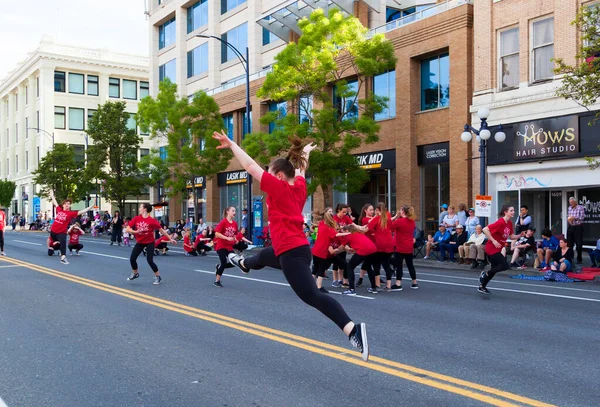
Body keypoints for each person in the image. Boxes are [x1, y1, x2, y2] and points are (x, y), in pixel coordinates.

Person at [215, 130, 369, 361]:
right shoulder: (299, 188)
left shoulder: (279, 188)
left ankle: (352, 330)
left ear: (277, 176)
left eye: (268, 174)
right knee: (263, 256)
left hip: (290, 252)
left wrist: (232, 144)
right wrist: (305, 153)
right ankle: (244, 263)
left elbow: (249, 166)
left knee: (312, 296)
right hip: (294, 249)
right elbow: (301, 171)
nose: (265, 178)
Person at [126, 203, 177, 285]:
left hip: (150, 242)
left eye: (140, 207)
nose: (139, 208)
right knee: (132, 258)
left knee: (149, 260)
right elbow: (127, 229)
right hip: (140, 242)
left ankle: (158, 276)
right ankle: (135, 273)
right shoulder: (136, 218)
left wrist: (170, 239)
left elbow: (161, 230)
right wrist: (136, 232)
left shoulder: (152, 221)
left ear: (145, 209)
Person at [478, 205, 521, 294]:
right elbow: (485, 229)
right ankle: (484, 274)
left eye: (513, 210)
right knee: (505, 265)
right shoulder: (500, 222)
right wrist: (493, 240)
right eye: (511, 210)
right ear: (505, 212)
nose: (513, 212)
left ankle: (482, 286)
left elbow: (512, 236)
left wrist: (521, 235)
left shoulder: (509, 223)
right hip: (492, 248)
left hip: (498, 248)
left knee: (495, 268)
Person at [48, 190, 94, 264]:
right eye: (65, 204)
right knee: (54, 244)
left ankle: (63, 257)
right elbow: (55, 202)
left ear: (70, 206)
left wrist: (91, 206)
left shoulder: (70, 213)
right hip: (53, 231)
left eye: (68, 204)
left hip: (61, 232)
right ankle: (54, 246)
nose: (66, 205)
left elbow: (81, 211)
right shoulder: (59, 210)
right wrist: (52, 195)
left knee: (63, 243)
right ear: (63, 205)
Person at [311, 208, 347, 293]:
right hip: (322, 251)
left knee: (315, 268)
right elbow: (336, 234)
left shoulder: (321, 224)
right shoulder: (328, 228)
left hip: (315, 250)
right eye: (330, 212)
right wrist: (348, 233)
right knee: (321, 269)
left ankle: (309, 285)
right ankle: (319, 287)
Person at [340, 223, 377, 295]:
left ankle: (351, 289)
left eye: (343, 232)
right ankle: (373, 287)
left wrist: (334, 252)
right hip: (373, 249)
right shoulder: (359, 233)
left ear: (347, 230)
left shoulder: (348, 235)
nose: (343, 234)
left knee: (350, 266)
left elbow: (341, 248)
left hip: (364, 250)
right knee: (368, 267)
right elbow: (358, 244)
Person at [366, 202, 394, 291]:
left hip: (380, 243)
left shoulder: (376, 218)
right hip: (389, 243)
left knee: (376, 264)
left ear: (377, 210)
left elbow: (368, 228)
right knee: (386, 264)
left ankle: (377, 284)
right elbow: (391, 228)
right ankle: (388, 285)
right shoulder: (388, 219)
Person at [390, 205, 418, 290]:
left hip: (400, 245)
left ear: (402, 212)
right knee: (410, 265)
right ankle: (414, 282)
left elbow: (390, 227)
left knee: (399, 265)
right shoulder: (412, 222)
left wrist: (395, 217)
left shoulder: (400, 221)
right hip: (409, 245)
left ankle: (398, 283)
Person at [213, 206, 239, 287]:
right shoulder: (223, 222)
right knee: (224, 263)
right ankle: (217, 281)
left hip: (229, 246)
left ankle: (219, 267)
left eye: (235, 211)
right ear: (228, 212)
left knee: (234, 262)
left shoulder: (235, 223)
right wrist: (226, 238)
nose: (234, 212)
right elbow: (216, 234)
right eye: (233, 211)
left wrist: (236, 239)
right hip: (221, 245)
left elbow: (235, 235)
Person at [332, 204, 353, 288]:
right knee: (335, 262)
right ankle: (335, 280)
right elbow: (334, 229)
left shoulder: (346, 218)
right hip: (335, 241)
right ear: (338, 210)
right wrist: (340, 228)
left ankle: (341, 279)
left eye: (346, 212)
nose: (344, 214)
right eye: (343, 212)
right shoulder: (334, 218)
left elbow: (352, 225)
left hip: (343, 241)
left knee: (342, 262)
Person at [356, 203, 375, 288]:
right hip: (367, 243)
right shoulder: (365, 219)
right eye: (370, 210)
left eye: (373, 210)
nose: (372, 211)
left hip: (374, 243)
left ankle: (363, 279)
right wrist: (378, 216)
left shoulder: (373, 218)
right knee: (367, 263)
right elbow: (371, 221)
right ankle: (361, 279)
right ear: (365, 211)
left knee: (370, 263)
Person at [567, 197, 585, 264]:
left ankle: (579, 258)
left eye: (572, 202)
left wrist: (574, 218)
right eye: (570, 202)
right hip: (571, 226)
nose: (570, 204)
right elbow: (569, 216)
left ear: (575, 202)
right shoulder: (569, 208)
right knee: (569, 243)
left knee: (578, 244)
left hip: (578, 227)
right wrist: (569, 220)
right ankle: (570, 258)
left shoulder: (580, 207)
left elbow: (582, 217)